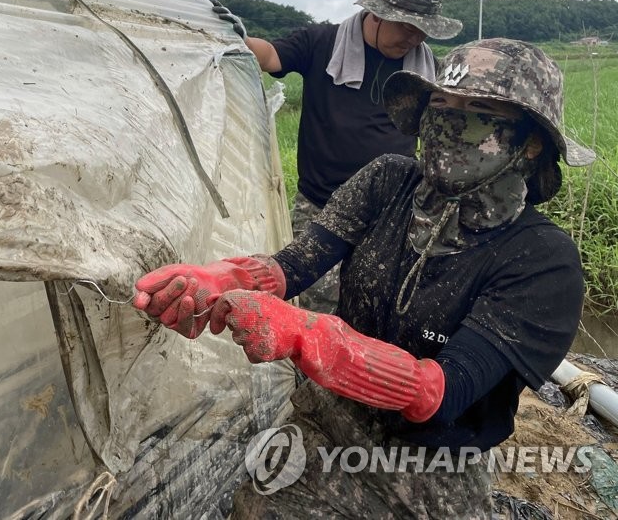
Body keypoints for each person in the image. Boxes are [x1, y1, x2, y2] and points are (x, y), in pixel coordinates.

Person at [133, 38, 594, 518]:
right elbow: (296, 264)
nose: (449, 121)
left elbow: (441, 391)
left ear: (531, 141)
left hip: (433, 464)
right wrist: (221, 277)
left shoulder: (542, 260)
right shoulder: (388, 181)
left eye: (478, 109)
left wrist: (311, 336)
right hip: (328, 420)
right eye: (440, 103)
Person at [215, 0, 463, 314]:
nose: (414, 39)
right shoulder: (324, 44)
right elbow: (271, 56)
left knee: (378, 301)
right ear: (378, 15)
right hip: (322, 205)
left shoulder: (427, 69)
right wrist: (235, 38)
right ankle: (311, 367)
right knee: (317, 302)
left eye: (422, 31)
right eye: (406, 27)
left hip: (390, 211)